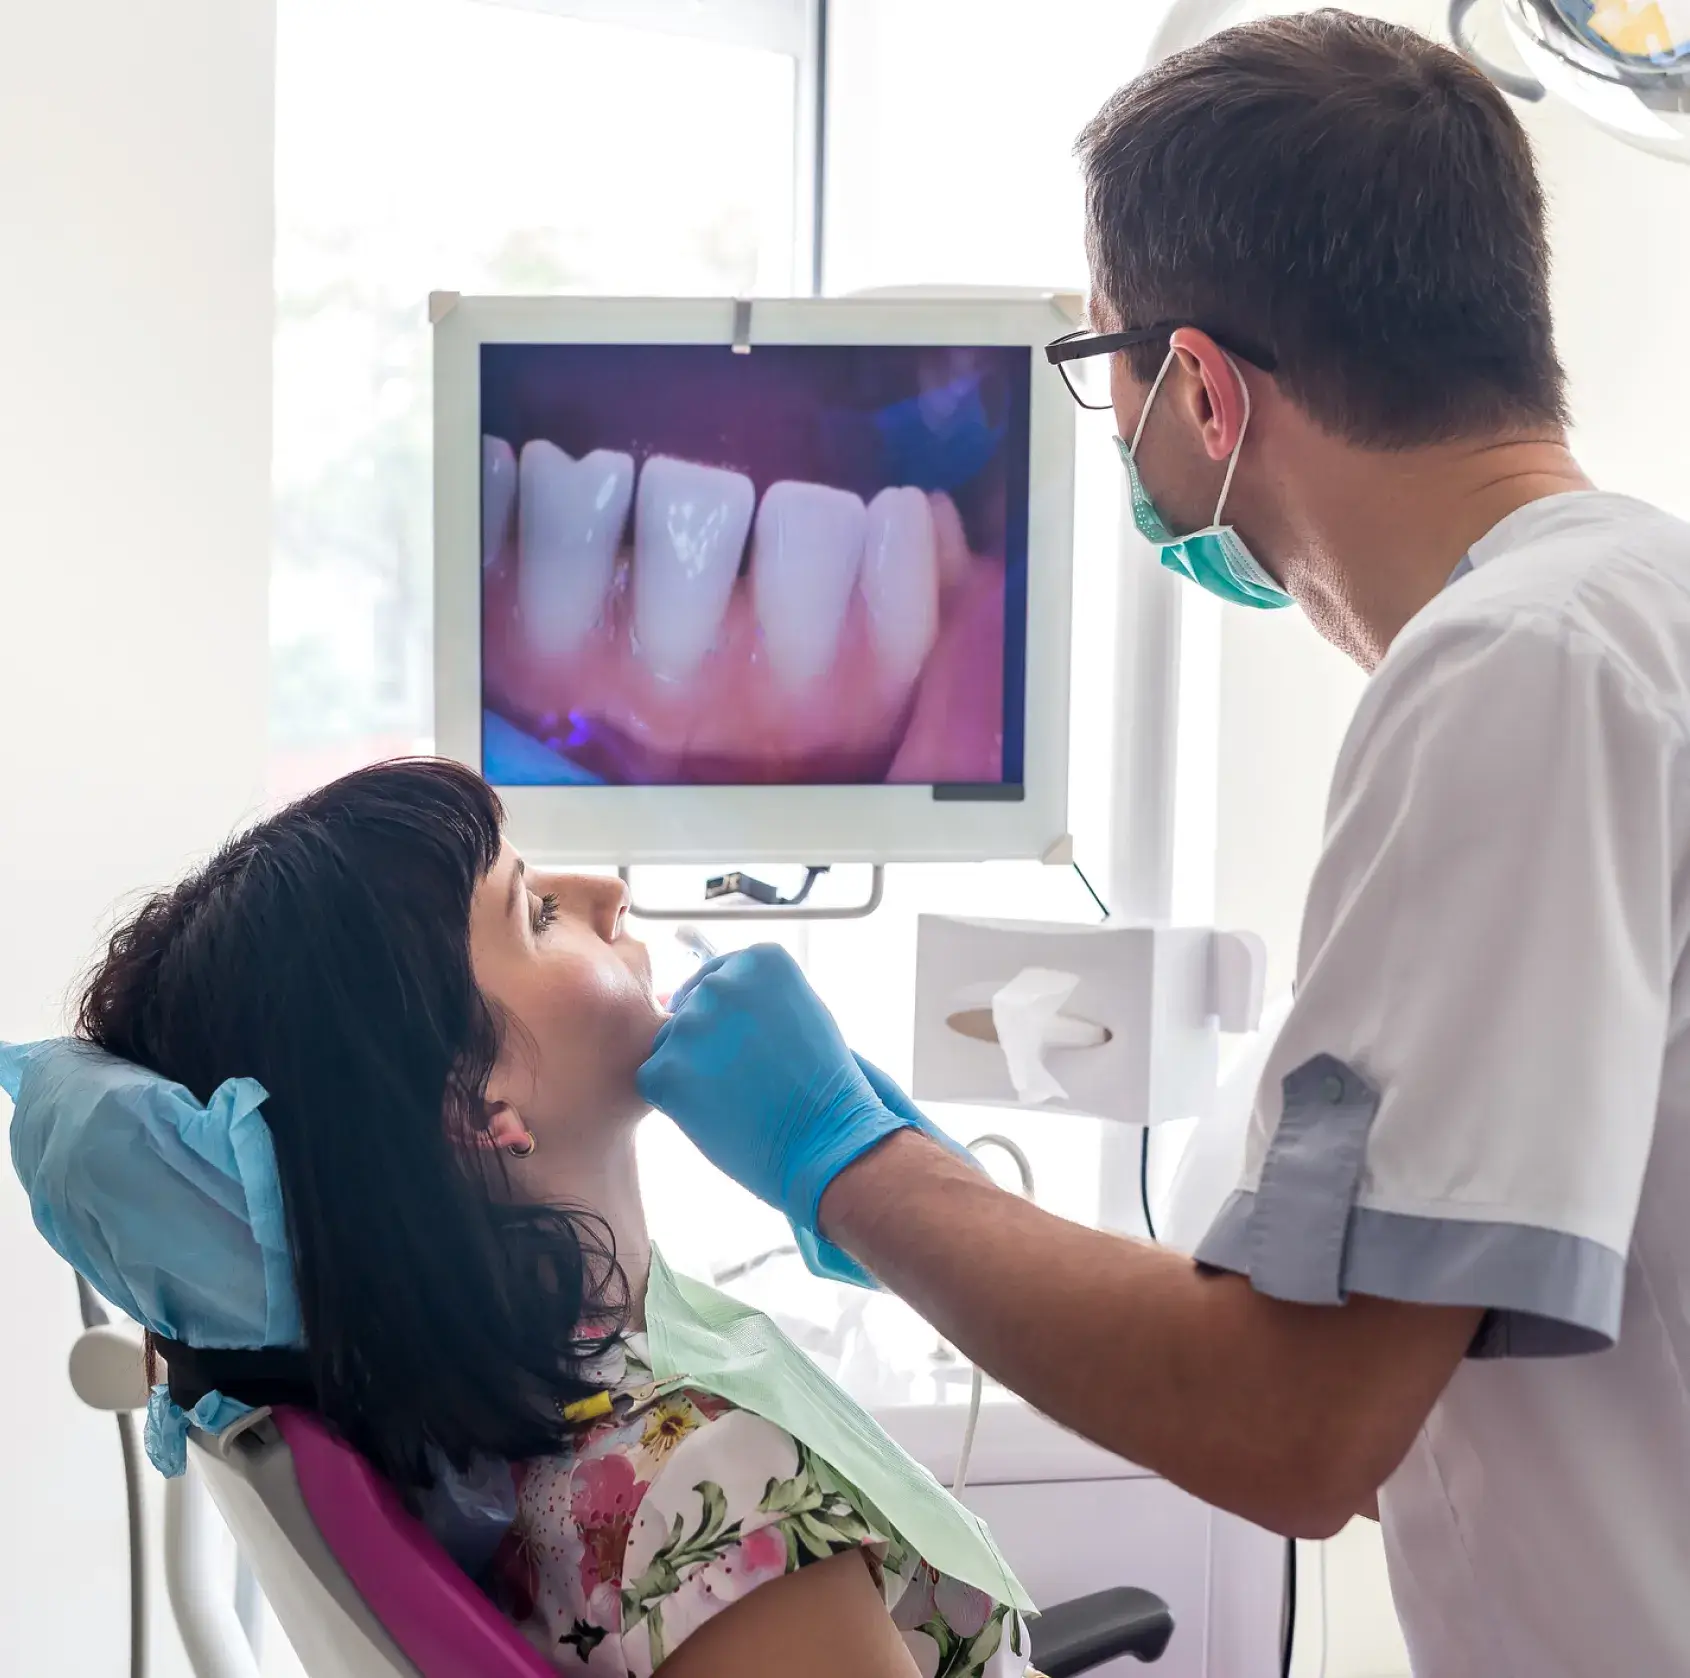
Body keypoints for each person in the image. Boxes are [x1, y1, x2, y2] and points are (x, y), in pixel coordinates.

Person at [638, 13, 1690, 1678]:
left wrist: (846, 1159)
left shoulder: (1520, 670)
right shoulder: (1623, 615)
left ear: (1199, 386)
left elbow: (1297, 1425)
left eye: (1101, 367)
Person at [7, 760, 1031, 1678]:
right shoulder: (706, 1486)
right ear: (473, 1107)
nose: (608, 893)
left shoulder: (475, 1435)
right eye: (535, 911)